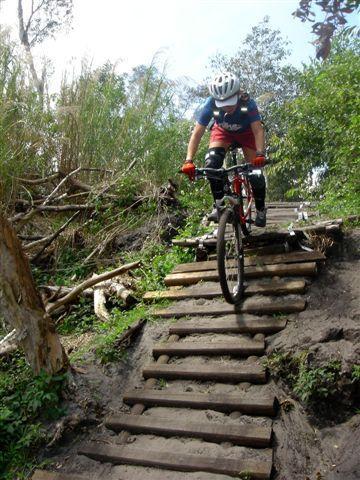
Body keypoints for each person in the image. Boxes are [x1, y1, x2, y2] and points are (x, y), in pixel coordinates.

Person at [181, 71, 267, 227]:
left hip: (247, 133)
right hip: (223, 132)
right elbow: (197, 133)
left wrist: (260, 154)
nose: (227, 107)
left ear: (237, 94)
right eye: (223, 103)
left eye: (230, 102)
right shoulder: (210, 103)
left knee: (255, 172)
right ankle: (219, 205)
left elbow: (258, 130)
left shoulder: (248, 103)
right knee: (211, 166)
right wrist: (189, 160)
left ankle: (261, 209)